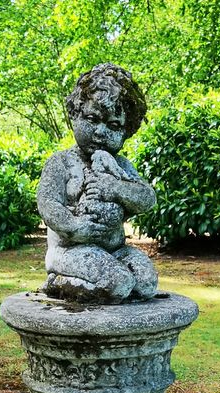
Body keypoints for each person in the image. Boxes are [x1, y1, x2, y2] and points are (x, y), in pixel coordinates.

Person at [37, 63, 158, 304]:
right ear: (74, 114)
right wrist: (76, 227)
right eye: (92, 119)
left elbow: (147, 199)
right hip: (70, 251)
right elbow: (48, 204)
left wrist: (114, 188)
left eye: (113, 125)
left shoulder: (120, 166)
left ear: (126, 132)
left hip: (114, 250)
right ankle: (59, 283)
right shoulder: (62, 162)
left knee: (146, 282)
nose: (100, 132)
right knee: (118, 283)